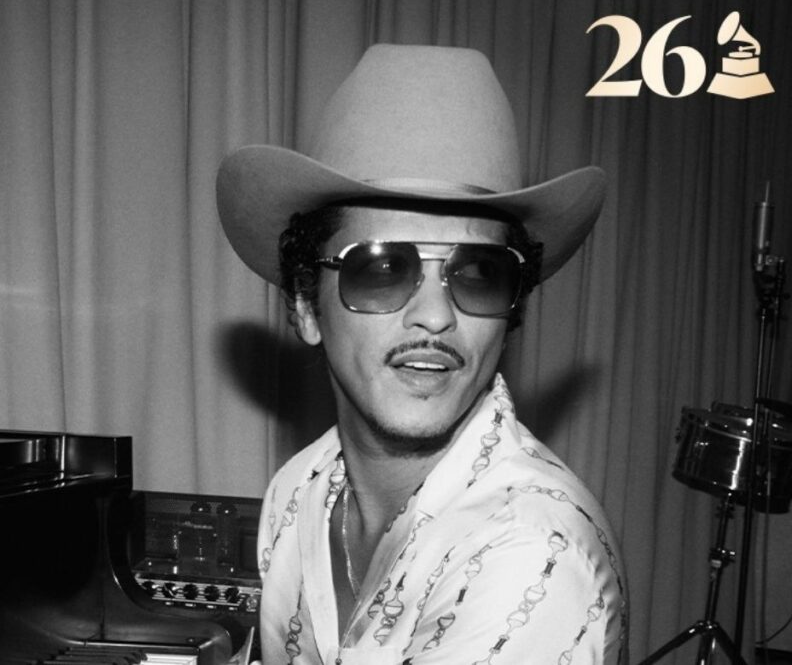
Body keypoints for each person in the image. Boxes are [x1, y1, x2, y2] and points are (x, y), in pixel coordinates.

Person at [216, 45, 627, 664]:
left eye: (479, 274)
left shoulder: (532, 559)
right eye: (382, 269)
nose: (436, 316)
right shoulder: (297, 492)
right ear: (306, 305)